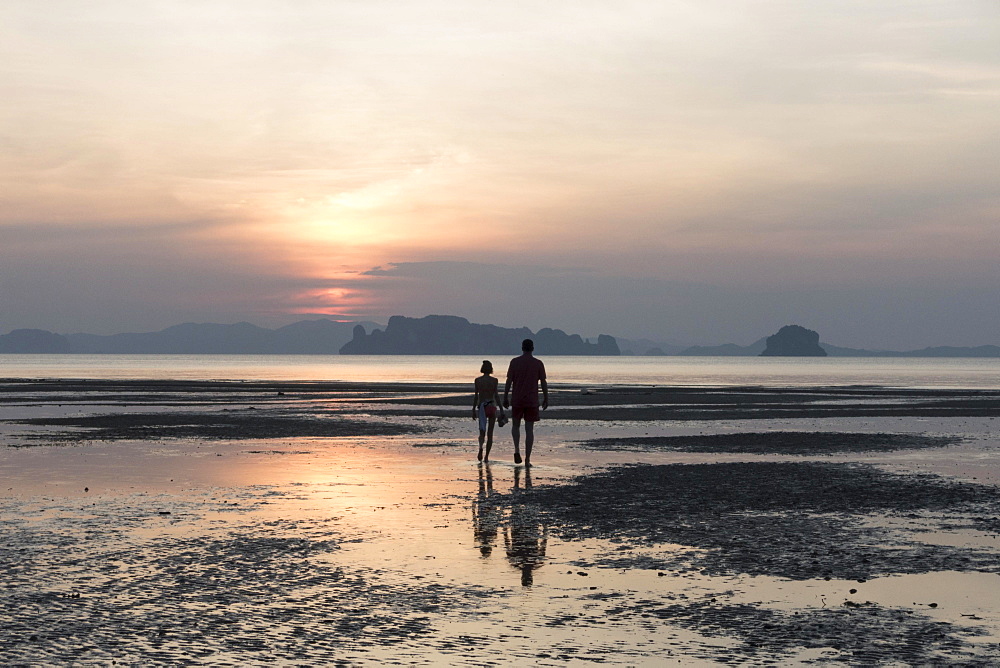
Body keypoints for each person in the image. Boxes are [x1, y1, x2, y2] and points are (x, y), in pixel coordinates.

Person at [503, 338, 548, 466]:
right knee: (529, 430)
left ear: (522, 348)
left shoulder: (515, 362)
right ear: (532, 348)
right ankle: (527, 460)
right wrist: (546, 398)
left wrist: (505, 396)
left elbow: (509, 381)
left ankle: (517, 449)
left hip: (517, 399)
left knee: (515, 425)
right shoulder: (538, 363)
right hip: (532, 400)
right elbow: (543, 382)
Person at [473, 360, 501, 461]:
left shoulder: (478, 380)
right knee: (490, 434)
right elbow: (496, 396)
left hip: (482, 408)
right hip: (492, 406)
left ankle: (480, 448)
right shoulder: (494, 380)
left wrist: (473, 409)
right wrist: (501, 409)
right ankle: (486, 457)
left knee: (482, 432)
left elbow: (476, 396)